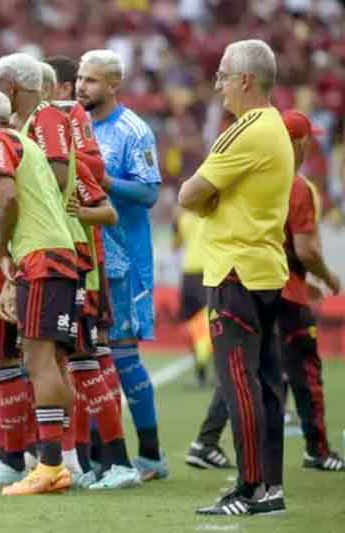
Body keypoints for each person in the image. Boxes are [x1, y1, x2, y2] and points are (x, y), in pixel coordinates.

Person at [0, 52, 137, 490]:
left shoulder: (46, 122)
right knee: (62, 360)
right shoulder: (28, 131)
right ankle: (72, 458)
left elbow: (71, 189)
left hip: (71, 258)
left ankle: (117, 461)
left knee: (86, 360)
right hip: (58, 256)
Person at [185, 109, 343, 475]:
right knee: (301, 374)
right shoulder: (298, 185)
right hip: (282, 292)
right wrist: (327, 277)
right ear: (299, 142)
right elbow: (305, 249)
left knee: (243, 370)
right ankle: (312, 453)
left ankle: (208, 443)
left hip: (244, 282)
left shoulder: (250, 179)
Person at [178, 40, 293, 515]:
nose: (218, 84)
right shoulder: (276, 127)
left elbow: (189, 194)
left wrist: (209, 199)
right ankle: (270, 487)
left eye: (223, 75)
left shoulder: (244, 130)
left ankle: (249, 488)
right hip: (264, 269)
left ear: (245, 80)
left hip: (234, 272)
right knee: (266, 383)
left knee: (237, 383)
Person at [0, 89, 78, 495]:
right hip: (56, 254)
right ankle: (62, 460)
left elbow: (9, 198)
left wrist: (0, 250)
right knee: (51, 360)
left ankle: (49, 466)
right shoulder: (26, 142)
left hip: (42, 257)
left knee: (38, 359)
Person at [77, 49, 168, 480]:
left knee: (123, 356)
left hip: (123, 261)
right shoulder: (75, 127)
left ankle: (150, 455)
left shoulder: (134, 130)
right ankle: (99, 454)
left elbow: (150, 194)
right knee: (92, 358)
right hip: (87, 258)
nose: (81, 87)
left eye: (91, 80)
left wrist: (106, 181)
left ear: (113, 84)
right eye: (79, 78)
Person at [173, 207, 213, 386]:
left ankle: (201, 373)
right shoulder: (212, 214)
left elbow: (175, 245)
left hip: (189, 274)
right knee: (208, 324)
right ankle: (211, 370)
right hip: (208, 273)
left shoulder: (183, 218)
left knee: (192, 324)